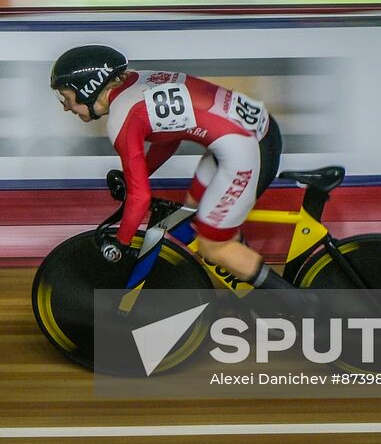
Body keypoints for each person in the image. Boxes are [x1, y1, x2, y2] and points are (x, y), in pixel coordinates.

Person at [49, 43, 307, 299]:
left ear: (88, 88)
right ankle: (247, 281)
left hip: (243, 146)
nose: (65, 106)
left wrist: (122, 242)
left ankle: (301, 306)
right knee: (192, 213)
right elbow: (169, 137)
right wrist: (135, 176)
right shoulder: (139, 80)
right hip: (248, 133)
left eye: (65, 96)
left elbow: (140, 199)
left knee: (213, 245)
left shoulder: (122, 116)